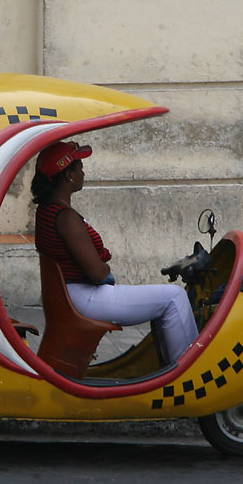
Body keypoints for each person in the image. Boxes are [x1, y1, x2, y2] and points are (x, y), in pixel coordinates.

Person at [32, 141, 198, 364]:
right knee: (174, 297)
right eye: (79, 166)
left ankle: (169, 369)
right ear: (68, 175)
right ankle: (185, 372)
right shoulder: (65, 218)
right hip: (83, 296)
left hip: (71, 293)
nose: (83, 171)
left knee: (164, 300)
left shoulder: (48, 210)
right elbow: (98, 274)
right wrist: (105, 266)